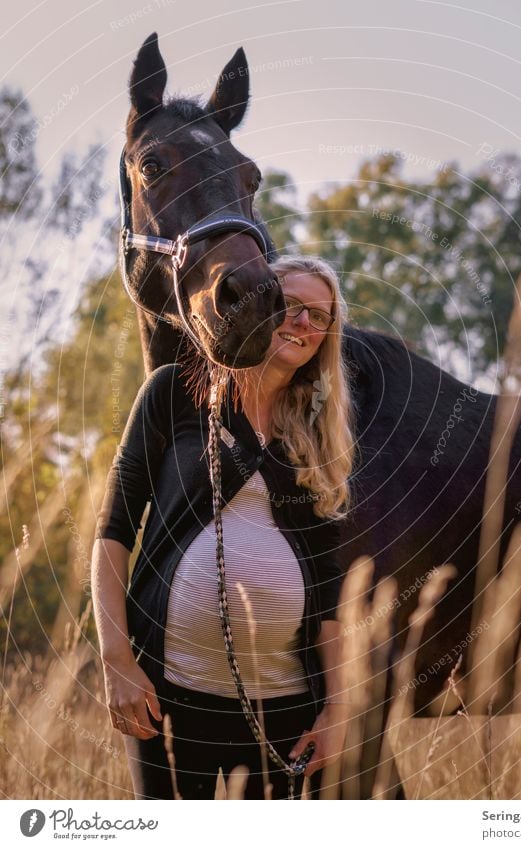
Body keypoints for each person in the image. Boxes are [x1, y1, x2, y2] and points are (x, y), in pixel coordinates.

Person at [91, 254, 357, 800]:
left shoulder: (316, 435)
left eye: (319, 316)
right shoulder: (172, 393)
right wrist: (117, 661)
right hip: (166, 692)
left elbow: (330, 590)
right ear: (255, 304)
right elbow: (114, 528)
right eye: (290, 305)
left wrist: (338, 708)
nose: (303, 323)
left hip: (284, 703)